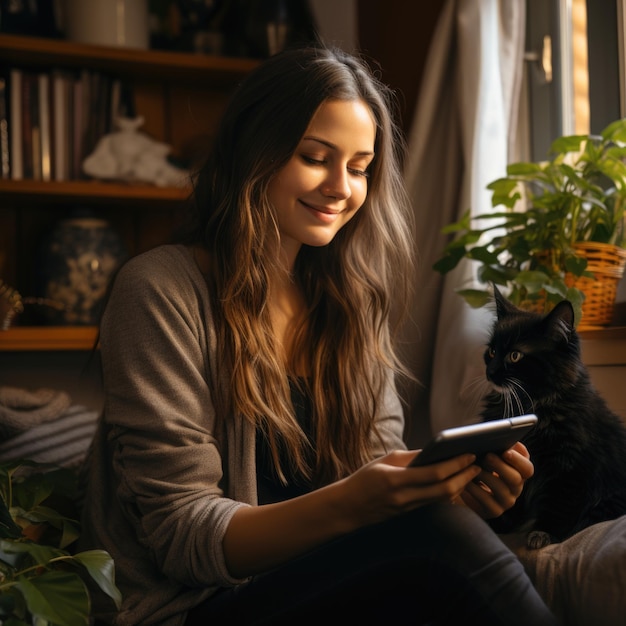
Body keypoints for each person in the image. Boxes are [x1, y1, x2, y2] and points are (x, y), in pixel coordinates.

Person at [78, 44, 559, 625]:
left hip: (321, 586)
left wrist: (448, 492)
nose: (341, 187)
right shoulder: (159, 291)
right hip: (202, 608)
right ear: (255, 152)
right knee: (441, 542)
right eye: (315, 157)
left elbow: (379, 477)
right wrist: (357, 502)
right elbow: (182, 535)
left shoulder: (353, 305)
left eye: (359, 168)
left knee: (445, 531)